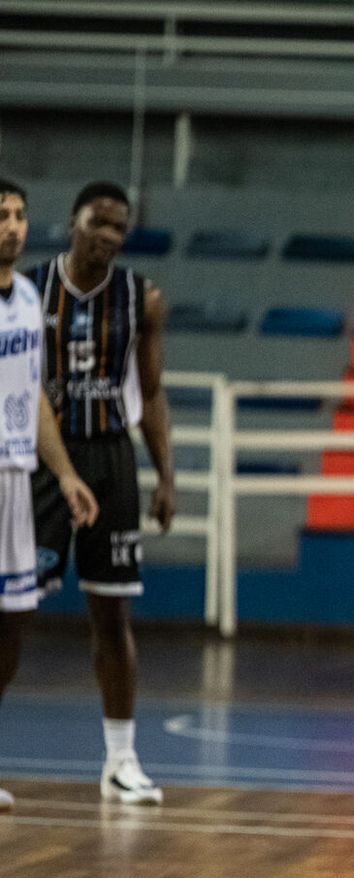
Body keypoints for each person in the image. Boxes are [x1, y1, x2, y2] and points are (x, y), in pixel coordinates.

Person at [27, 180, 174, 805]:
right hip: (42, 461)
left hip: (112, 459)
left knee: (112, 616)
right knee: (10, 615)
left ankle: (121, 760)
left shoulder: (142, 298)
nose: (110, 237)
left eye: (120, 228)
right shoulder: (29, 291)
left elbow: (153, 391)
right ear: (72, 223)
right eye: (100, 223)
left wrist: (166, 474)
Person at [0, 178, 100, 809]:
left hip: (15, 474)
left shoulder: (30, 297)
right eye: (0, 215)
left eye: (18, 215)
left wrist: (63, 472)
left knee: (17, 620)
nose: (12, 225)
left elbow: (34, 394)